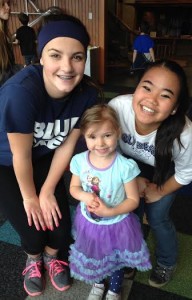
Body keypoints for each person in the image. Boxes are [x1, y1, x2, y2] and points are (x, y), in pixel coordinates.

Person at [0, 13, 101, 297]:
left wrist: (47, 191)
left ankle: (51, 256)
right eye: (55, 55)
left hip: (45, 157)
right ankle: (33, 257)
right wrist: (31, 198)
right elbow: (20, 157)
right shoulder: (20, 92)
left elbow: (67, 146)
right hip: (7, 162)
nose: (67, 67)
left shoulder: (87, 94)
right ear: (41, 56)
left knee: (59, 231)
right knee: (33, 231)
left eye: (77, 57)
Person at [109, 59, 192, 288]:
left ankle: (166, 262)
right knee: (127, 215)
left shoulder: (183, 134)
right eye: (147, 87)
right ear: (136, 87)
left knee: (157, 218)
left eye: (165, 95)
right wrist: (131, 180)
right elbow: (104, 146)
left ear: (174, 107)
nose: (151, 99)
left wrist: (159, 190)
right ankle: (131, 257)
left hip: (166, 171)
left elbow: (190, 170)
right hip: (129, 163)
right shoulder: (118, 107)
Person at [69, 104, 151, 300]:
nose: (101, 143)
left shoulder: (125, 167)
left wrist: (109, 212)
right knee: (95, 253)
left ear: (118, 133)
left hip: (117, 223)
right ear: (84, 137)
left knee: (116, 258)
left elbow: (133, 200)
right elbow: (74, 188)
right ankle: (98, 283)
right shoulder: (79, 161)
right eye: (92, 136)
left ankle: (114, 289)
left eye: (107, 135)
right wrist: (85, 196)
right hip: (89, 222)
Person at [0, 0, 20, 86]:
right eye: (2, 5)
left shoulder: (3, 33)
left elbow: (8, 66)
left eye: (8, 3)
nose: (8, 7)